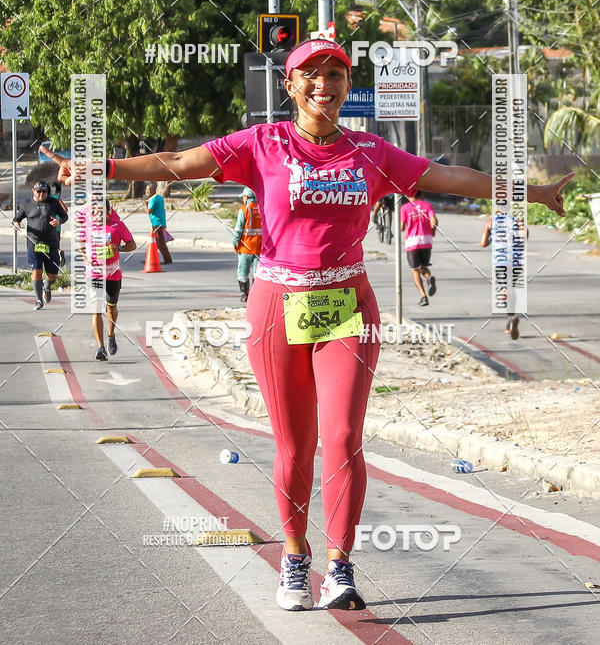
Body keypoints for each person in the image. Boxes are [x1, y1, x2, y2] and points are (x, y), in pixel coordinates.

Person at [40, 39, 572, 614]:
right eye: (311, 73)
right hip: (277, 303)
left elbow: (450, 176)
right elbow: (179, 163)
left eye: (335, 73)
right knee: (295, 445)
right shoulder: (262, 143)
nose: (324, 83)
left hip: (347, 306)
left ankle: (339, 567)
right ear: (290, 85)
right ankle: (295, 559)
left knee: (342, 438)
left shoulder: (371, 151)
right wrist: (104, 167)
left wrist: (533, 192)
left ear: (347, 85)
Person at [79, 198, 136, 361]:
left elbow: (132, 244)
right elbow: (81, 244)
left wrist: (119, 248)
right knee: (96, 309)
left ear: (108, 211)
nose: (98, 213)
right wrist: (85, 257)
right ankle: (101, 348)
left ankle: (111, 334)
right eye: (95, 211)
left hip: (112, 273)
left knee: (111, 308)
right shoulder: (87, 227)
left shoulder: (117, 226)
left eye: (101, 210)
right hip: (94, 273)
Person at [12, 180, 68, 309]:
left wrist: (58, 221)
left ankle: (47, 287)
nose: (42, 194)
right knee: (36, 271)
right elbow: (16, 219)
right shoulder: (26, 204)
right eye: (39, 192)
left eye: (44, 192)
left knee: (53, 275)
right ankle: (38, 300)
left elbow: (64, 216)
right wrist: (16, 224)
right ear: (33, 191)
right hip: (34, 243)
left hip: (51, 243)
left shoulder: (53, 202)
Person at [481, 213, 528, 340]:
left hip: (500, 262)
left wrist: (492, 239)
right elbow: (525, 237)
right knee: (511, 288)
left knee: (505, 290)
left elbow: (483, 243)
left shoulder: (490, 222)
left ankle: (511, 317)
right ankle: (510, 321)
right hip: (516, 261)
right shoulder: (517, 220)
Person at [400, 191, 438, 306]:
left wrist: (405, 226)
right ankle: (428, 277)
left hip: (412, 241)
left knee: (415, 269)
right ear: (421, 195)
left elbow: (402, 227)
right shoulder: (427, 205)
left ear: (409, 195)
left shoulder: (405, 208)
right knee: (424, 266)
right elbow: (435, 221)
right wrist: (433, 231)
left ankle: (423, 296)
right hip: (426, 240)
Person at [232, 187, 262, 303]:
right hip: (259, 247)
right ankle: (256, 295)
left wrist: (235, 242)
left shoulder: (244, 210)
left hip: (245, 247)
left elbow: (239, 229)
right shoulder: (262, 209)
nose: (243, 199)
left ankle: (244, 295)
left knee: (242, 272)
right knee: (257, 272)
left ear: (247, 197)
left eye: (243, 197)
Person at [144, 183, 172, 264]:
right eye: (147, 190)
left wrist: (145, 205)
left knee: (160, 242)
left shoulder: (153, 198)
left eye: (149, 190)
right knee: (155, 242)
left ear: (154, 190)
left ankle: (168, 259)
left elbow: (149, 211)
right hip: (160, 222)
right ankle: (151, 259)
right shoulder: (159, 197)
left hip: (157, 223)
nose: (147, 191)